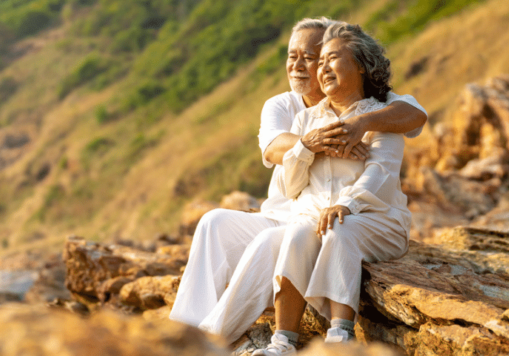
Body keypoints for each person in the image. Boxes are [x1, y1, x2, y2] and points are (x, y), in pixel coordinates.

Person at [169, 18, 427, 339]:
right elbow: (274, 147)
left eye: (313, 56)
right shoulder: (287, 106)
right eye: (292, 55)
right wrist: (317, 142)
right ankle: (183, 326)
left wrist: (359, 124)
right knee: (213, 222)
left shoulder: (376, 103)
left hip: (321, 220)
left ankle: (209, 338)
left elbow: (414, 116)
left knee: (273, 243)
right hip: (283, 213)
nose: (299, 65)